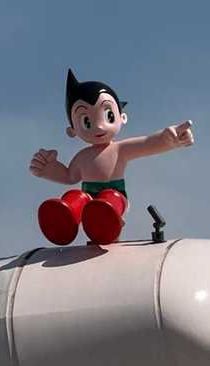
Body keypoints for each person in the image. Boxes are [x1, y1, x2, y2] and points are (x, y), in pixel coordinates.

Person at [29, 69, 194, 245]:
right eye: (86, 122)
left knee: (109, 200)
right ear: (72, 131)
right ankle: (64, 219)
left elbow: (147, 144)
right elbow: (70, 176)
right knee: (75, 197)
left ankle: (106, 224)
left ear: (122, 117)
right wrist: (48, 169)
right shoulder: (82, 157)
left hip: (115, 197)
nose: (99, 127)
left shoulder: (119, 149)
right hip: (87, 197)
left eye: (108, 116)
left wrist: (167, 140)